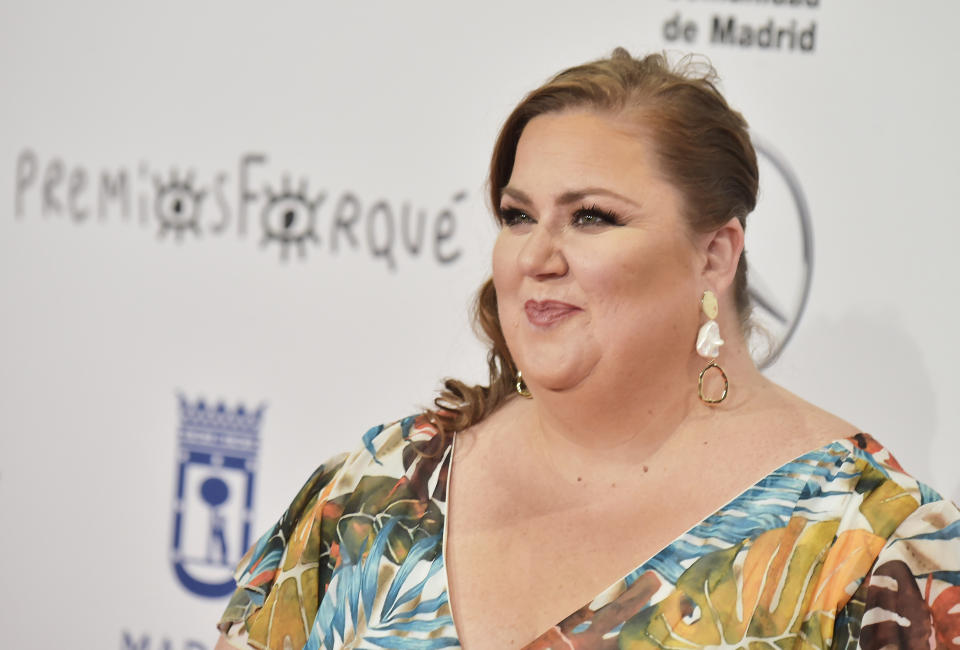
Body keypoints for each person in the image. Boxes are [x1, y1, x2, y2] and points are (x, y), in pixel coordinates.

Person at [215, 48, 960, 650]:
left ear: (715, 254)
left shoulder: (872, 548)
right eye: (517, 215)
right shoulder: (377, 492)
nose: (537, 255)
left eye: (592, 217)